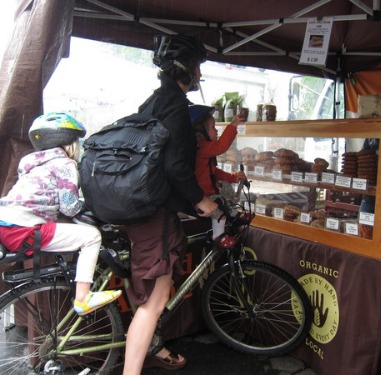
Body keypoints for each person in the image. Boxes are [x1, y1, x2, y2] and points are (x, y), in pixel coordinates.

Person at [122, 34, 218, 374]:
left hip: (139, 207)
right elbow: (176, 165)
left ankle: (155, 345)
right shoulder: (176, 106)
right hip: (154, 213)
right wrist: (200, 200)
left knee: (148, 294)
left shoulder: (153, 101)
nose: (199, 76)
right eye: (197, 68)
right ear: (186, 70)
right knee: (155, 301)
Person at [0, 112, 122, 316]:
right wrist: (87, 204)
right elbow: (69, 207)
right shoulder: (65, 164)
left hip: (5, 222)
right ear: (70, 143)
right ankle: (83, 298)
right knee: (92, 237)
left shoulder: (29, 163)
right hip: (24, 229)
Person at [189, 104, 246, 240]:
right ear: (200, 131)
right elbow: (221, 146)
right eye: (213, 128)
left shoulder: (203, 150)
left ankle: (233, 212)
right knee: (219, 211)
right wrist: (232, 126)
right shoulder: (201, 147)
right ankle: (219, 235)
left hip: (209, 191)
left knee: (226, 189)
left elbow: (214, 172)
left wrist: (233, 177)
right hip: (204, 197)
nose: (216, 131)